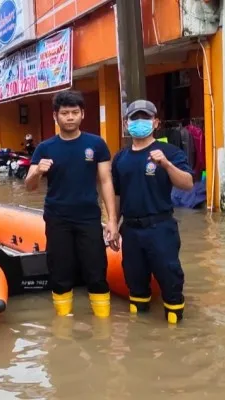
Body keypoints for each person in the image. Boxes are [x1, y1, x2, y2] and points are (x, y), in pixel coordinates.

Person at [25, 90, 119, 318]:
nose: (70, 117)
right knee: (60, 272)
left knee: (96, 271)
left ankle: (102, 323)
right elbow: (29, 186)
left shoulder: (96, 144)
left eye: (75, 112)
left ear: (83, 114)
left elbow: (106, 181)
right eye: (64, 113)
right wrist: (37, 171)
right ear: (55, 116)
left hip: (89, 217)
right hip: (57, 218)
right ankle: (63, 325)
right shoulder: (44, 148)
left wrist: (112, 220)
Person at [111, 100, 194, 324]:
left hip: (161, 228)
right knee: (135, 284)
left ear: (156, 122)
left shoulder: (170, 152)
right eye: (134, 118)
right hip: (131, 230)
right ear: (126, 124)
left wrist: (166, 164)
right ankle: (139, 337)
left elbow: (187, 184)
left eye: (145, 118)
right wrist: (112, 225)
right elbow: (116, 195)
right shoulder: (120, 158)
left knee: (171, 279)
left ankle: (176, 334)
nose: (140, 123)